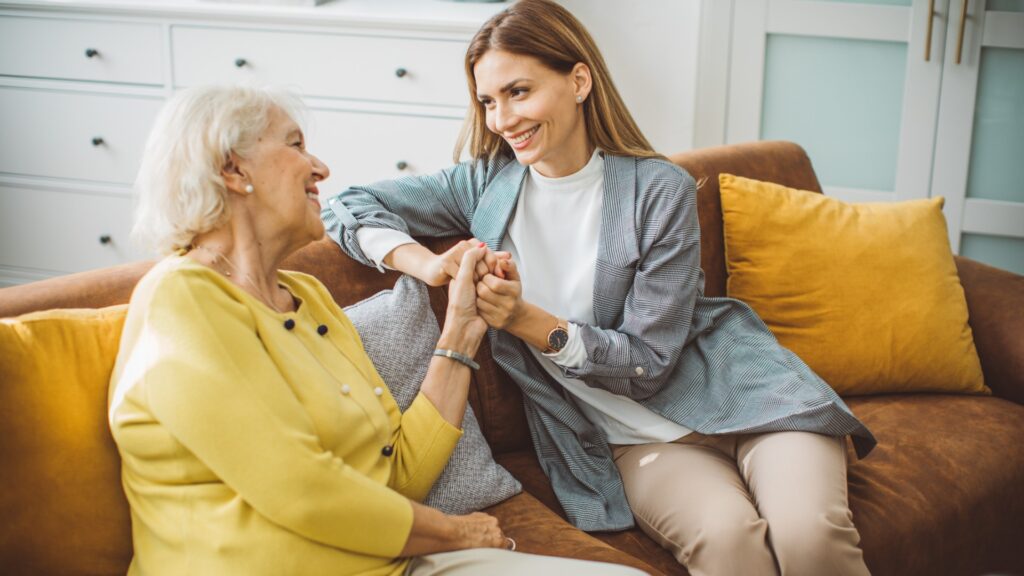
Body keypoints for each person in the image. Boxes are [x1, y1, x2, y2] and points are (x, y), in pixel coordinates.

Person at [322, 1, 878, 575]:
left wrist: (524, 320)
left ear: (579, 80)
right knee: (731, 544)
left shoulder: (658, 189)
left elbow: (652, 362)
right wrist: (428, 265)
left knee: (810, 539)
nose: (502, 119)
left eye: (519, 91)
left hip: (746, 398)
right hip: (635, 442)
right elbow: (344, 207)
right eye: (488, 101)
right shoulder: (486, 186)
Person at [108, 84, 645, 576]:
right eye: (295, 145)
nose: (319, 167)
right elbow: (301, 491)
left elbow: (397, 477)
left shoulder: (310, 298)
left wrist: (462, 325)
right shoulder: (181, 298)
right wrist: (457, 531)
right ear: (232, 170)